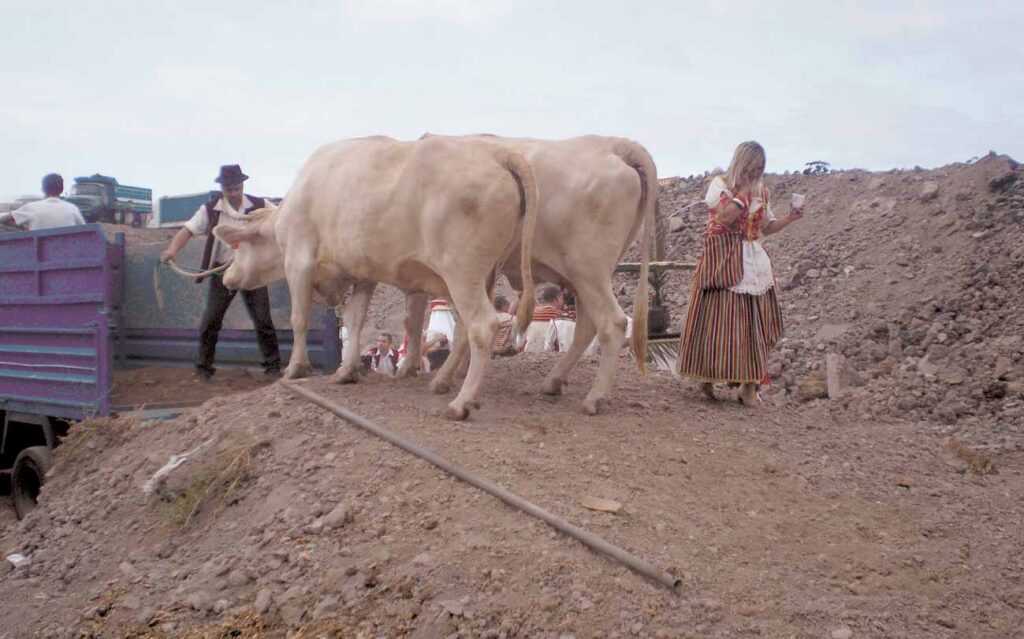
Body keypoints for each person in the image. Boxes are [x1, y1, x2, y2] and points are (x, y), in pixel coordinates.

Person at [676, 141, 803, 405]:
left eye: (761, 168)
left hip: (754, 262)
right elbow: (725, 218)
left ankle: (749, 384)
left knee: (757, 324)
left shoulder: (762, 192)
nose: (756, 173)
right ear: (742, 164)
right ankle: (709, 375)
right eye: (753, 167)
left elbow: (765, 227)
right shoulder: (720, 186)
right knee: (721, 323)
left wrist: (790, 219)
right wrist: (743, 192)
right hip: (726, 261)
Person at [159, 164, 281, 381]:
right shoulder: (210, 209)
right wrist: (171, 250)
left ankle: (273, 368)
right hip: (223, 271)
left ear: (242, 185)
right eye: (229, 189)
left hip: (252, 271)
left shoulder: (260, 206)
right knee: (211, 320)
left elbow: (282, 219)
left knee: (263, 320)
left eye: (237, 188)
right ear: (222, 188)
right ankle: (203, 369)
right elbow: (188, 230)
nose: (234, 193)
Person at [0, 174, 85, 231]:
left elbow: (3, 218)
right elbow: (84, 231)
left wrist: (21, 226)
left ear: (43, 189)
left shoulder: (32, 208)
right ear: (62, 190)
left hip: (36, 254)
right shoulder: (72, 209)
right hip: (67, 254)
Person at [521, 284, 563, 352]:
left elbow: (520, 342)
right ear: (558, 297)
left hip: (528, 353)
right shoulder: (559, 316)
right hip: (547, 356)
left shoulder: (530, 315)